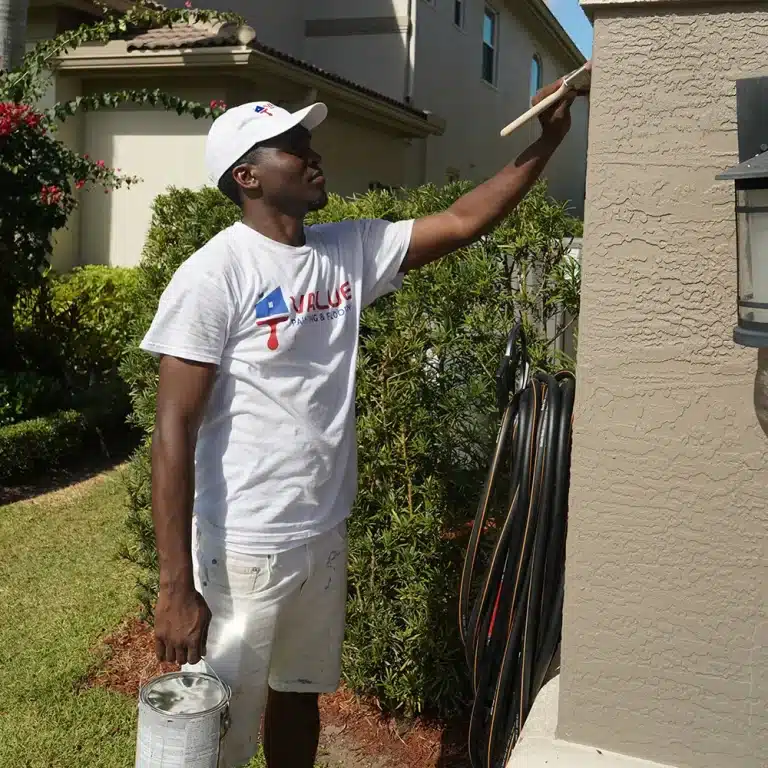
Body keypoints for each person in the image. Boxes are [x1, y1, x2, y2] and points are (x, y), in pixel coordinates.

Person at [140, 67, 588, 768]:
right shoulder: (214, 274)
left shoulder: (342, 250)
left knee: (299, 694)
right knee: (219, 724)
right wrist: (175, 587)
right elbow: (172, 429)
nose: (312, 156)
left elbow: (466, 220)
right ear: (247, 178)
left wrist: (549, 139)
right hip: (243, 546)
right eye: (291, 147)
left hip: (322, 529)